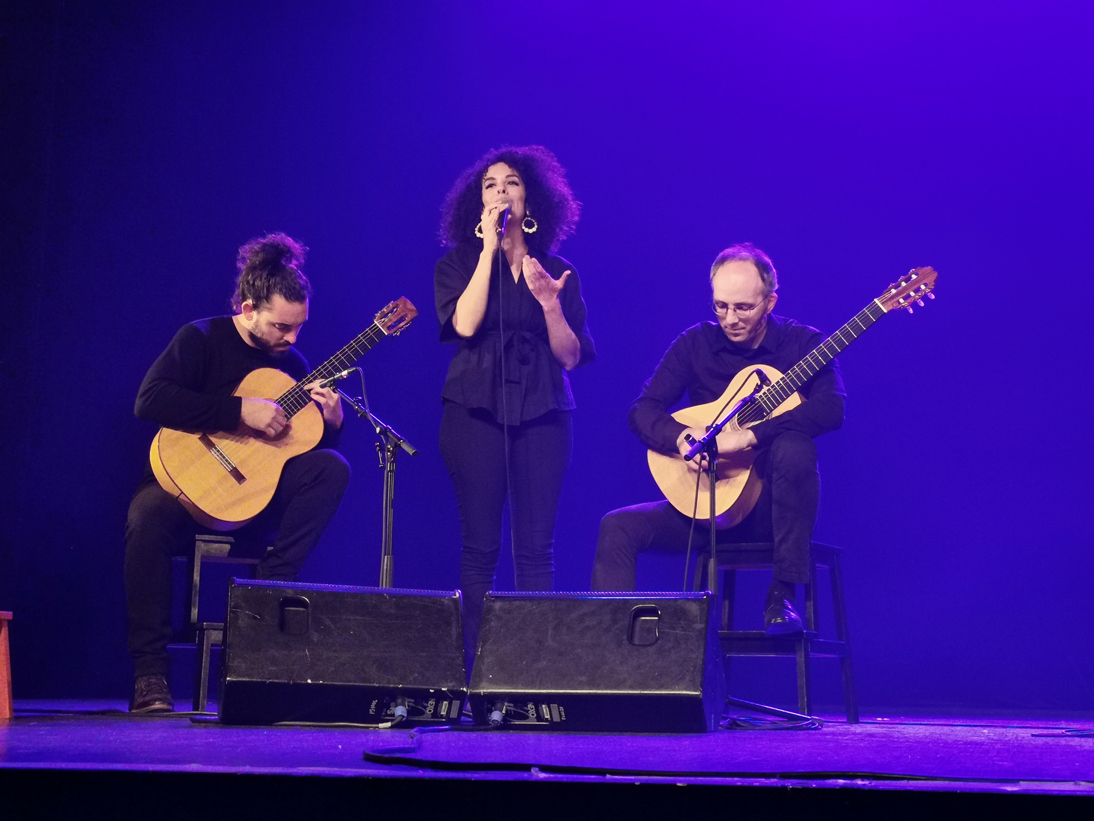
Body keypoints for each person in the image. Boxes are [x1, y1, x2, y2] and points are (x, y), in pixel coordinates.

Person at [124, 233, 351, 713]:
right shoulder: (200, 338)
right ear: (248, 308)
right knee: (144, 518)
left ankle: (268, 591)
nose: (292, 339)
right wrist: (238, 411)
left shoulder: (293, 365)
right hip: (182, 483)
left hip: (251, 496)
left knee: (331, 468)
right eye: (281, 326)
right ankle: (150, 674)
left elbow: (297, 448)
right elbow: (151, 400)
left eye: (299, 328)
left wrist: (330, 426)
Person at [591, 243, 845, 632]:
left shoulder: (804, 344)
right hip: (705, 508)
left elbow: (832, 409)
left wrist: (750, 437)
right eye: (720, 306)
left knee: (795, 447)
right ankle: (617, 659)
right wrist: (681, 438)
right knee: (616, 527)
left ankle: (783, 595)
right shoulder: (696, 343)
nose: (730, 318)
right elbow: (642, 410)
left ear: (770, 302)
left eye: (743, 307)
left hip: (772, 514)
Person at [435, 146, 595, 664]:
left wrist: (549, 301)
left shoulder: (559, 270)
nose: (501, 191)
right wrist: (488, 252)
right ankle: (478, 667)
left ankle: (532, 665)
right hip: (474, 408)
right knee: (480, 547)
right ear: (476, 202)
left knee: (535, 547)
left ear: (532, 198)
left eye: (512, 183)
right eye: (490, 185)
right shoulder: (458, 263)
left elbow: (571, 356)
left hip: (544, 411)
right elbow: (464, 324)